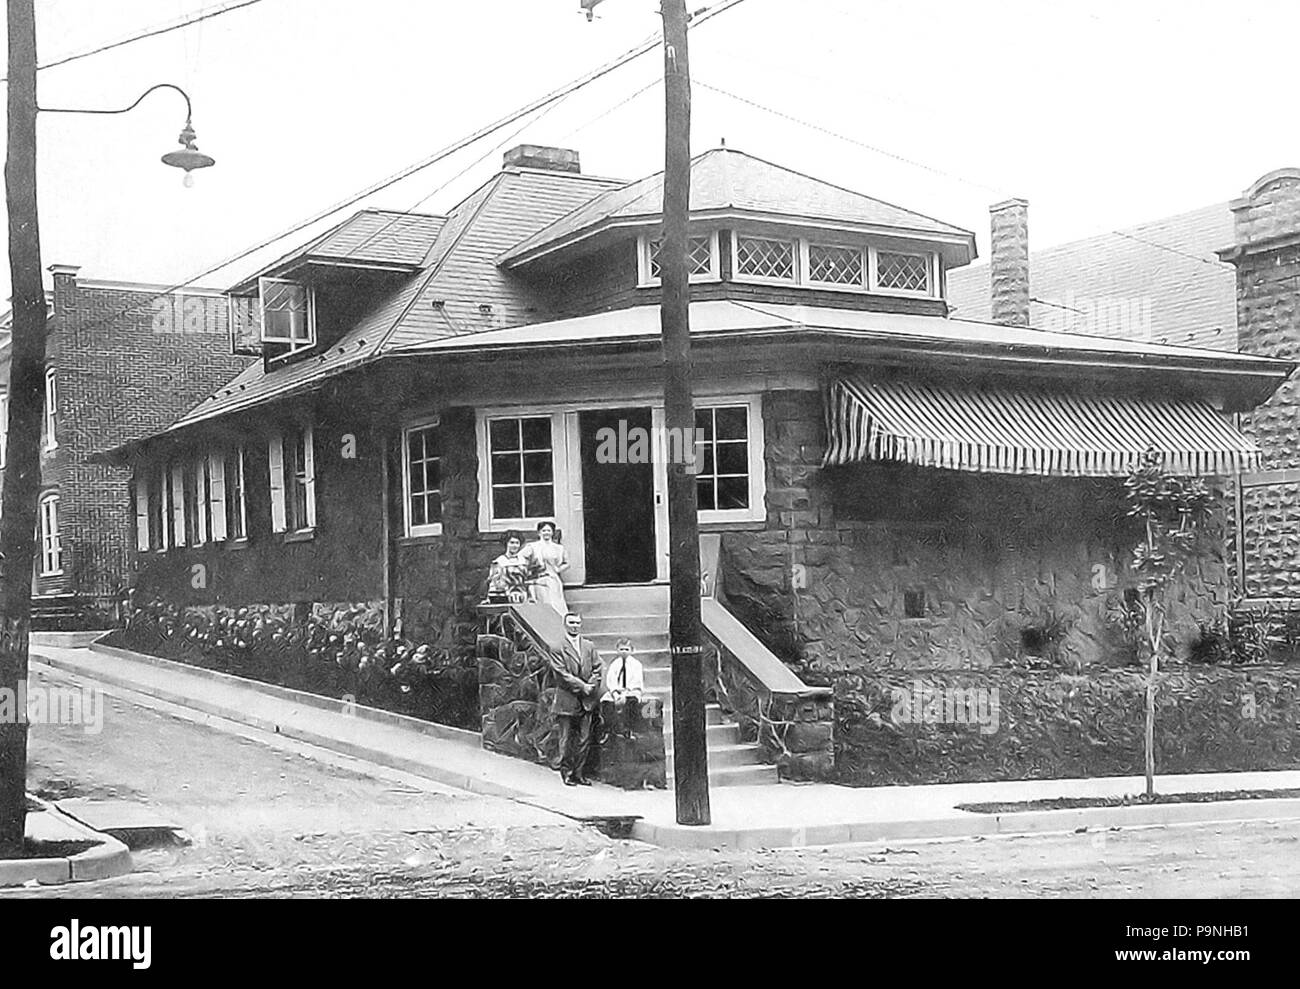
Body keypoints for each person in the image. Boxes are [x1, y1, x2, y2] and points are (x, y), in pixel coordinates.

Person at [549, 611, 603, 786]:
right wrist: (583, 686)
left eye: (577, 623)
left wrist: (592, 685)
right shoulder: (557, 646)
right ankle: (567, 773)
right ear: (565, 624)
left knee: (584, 739)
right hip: (567, 699)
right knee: (566, 739)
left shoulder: (588, 646)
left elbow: (597, 667)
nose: (574, 626)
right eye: (571, 622)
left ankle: (579, 773)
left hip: (586, 701)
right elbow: (561, 674)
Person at [600, 637, 645, 740]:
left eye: (626, 649)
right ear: (617, 650)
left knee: (631, 703)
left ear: (632, 650)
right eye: (621, 649)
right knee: (606, 703)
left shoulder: (636, 665)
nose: (624, 652)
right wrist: (615, 693)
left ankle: (629, 729)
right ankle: (611, 729)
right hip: (617, 691)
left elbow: (636, 681)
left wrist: (625, 694)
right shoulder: (614, 664)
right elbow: (611, 680)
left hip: (631, 691)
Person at [526, 521, 569, 615]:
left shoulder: (558, 548)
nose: (546, 533)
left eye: (549, 530)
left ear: (552, 532)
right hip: (538, 579)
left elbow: (567, 563)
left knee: (556, 603)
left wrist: (558, 569)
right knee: (545, 602)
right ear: (539, 532)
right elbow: (521, 558)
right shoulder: (533, 546)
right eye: (544, 530)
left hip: (553, 579)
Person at [487, 531, 534, 603]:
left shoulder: (524, 561)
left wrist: (531, 596)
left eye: (517, 543)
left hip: (523, 596)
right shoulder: (499, 562)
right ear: (506, 544)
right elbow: (494, 583)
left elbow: (529, 581)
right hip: (504, 596)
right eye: (512, 543)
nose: (514, 546)